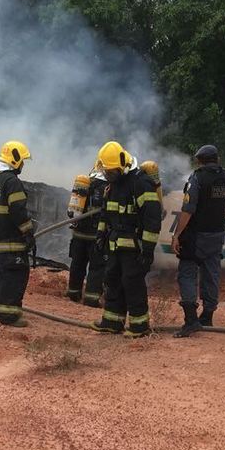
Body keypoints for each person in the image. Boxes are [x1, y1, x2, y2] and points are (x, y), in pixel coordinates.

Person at [90, 141, 162, 338]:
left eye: (111, 172)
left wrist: (147, 250)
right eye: (106, 171)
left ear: (122, 165)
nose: (107, 175)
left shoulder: (140, 183)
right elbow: (105, 214)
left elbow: (152, 219)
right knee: (112, 281)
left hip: (134, 247)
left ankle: (139, 325)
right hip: (114, 245)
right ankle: (112, 321)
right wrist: (100, 236)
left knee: (132, 284)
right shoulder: (112, 186)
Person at [171, 144, 225, 337]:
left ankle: (191, 321)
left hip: (196, 235)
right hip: (217, 233)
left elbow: (188, 210)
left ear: (199, 160)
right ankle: (207, 316)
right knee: (211, 273)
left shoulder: (197, 178)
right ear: (217, 158)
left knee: (187, 273)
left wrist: (176, 234)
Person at [0, 140, 35, 327]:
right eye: (22, 161)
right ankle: (10, 317)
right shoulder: (12, 182)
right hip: (13, 242)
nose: (22, 165)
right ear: (15, 160)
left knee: (3, 278)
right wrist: (28, 232)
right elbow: (18, 210)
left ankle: (3, 313)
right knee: (16, 277)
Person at [65, 167, 108, 307]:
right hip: (96, 236)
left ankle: (73, 293)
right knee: (96, 268)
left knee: (77, 264)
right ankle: (91, 298)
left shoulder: (84, 185)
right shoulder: (108, 188)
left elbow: (73, 212)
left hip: (78, 235)